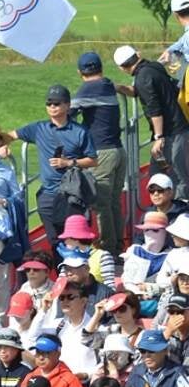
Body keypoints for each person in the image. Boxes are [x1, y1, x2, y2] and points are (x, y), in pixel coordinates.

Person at [8, 84, 98, 247]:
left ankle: (79, 271)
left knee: (75, 239)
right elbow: (11, 135)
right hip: (47, 195)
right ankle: (61, 272)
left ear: (67, 105)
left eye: (57, 103)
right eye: (49, 104)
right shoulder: (38, 128)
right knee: (54, 241)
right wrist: (2, 145)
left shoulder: (80, 132)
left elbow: (93, 160)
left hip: (73, 195)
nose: (52, 107)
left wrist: (69, 162)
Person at [115, 44, 189, 198]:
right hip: (177, 127)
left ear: (122, 67)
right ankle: (168, 209)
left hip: (171, 133)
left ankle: (180, 211)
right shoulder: (153, 67)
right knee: (159, 172)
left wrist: (158, 137)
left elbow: (155, 110)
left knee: (178, 176)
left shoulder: (142, 78)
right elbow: (139, 91)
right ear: (137, 55)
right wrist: (120, 87)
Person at [71, 50, 127, 255]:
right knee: (113, 202)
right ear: (101, 68)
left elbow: (66, 114)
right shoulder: (108, 84)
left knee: (102, 205)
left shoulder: (87, 90)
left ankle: (108, 250)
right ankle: (118, 245)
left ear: (80, 72)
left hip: (101, 153)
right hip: (119, 151)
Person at [15, 333, 86, 387]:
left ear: (58, 354)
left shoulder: (69, 380)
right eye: (38, 352)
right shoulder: (30, 376)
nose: (41, 357)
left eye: (46, 353)